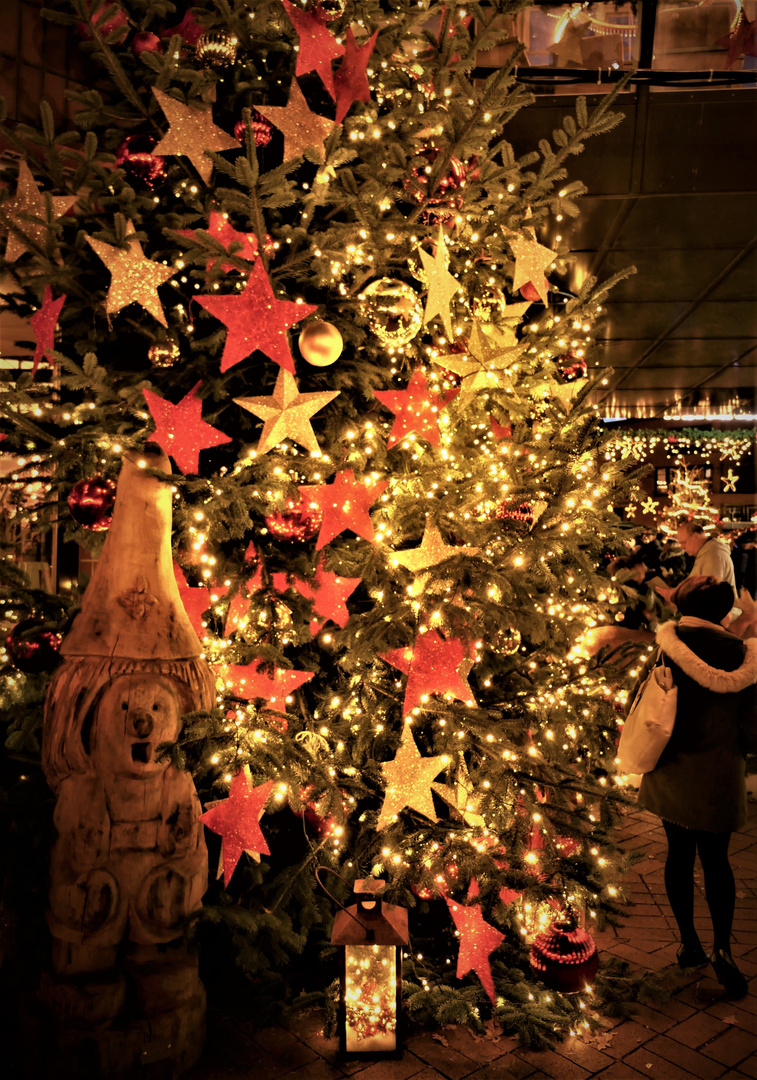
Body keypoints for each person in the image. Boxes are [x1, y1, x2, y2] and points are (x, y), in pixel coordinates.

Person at [627, 576, 757, 998]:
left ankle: (688, 943)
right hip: (719, 773)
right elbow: (753, 731)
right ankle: (724, 949)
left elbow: (640, 699)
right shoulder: (742, 656)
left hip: (673, 769)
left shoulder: (669, 645)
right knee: (717, 862)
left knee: (678, 855)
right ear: (723, 613)